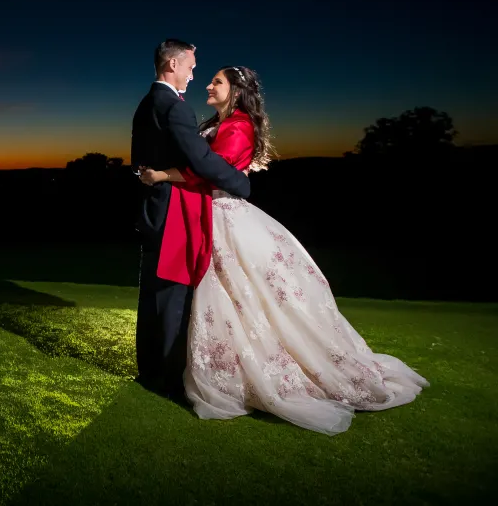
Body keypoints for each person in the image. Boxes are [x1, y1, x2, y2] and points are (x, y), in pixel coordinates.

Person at [140, 66, 428, 435]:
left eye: (217, 82)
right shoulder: (219, 121)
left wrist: (163, 175)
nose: (208, 85)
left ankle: (259, 373)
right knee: (228, 297)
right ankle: (227, 369)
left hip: (225, 216)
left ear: (237, 91)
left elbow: (212, 169)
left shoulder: (240, 124)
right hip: (207, 214)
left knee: (245, 293)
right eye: (209, 79)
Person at [130, 39, 251, 397]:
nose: (193, 75)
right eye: (191, 67)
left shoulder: (147, 103)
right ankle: (168, 379)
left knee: (152, 293)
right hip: (173, 212)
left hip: (154, 208)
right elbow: (199, 159)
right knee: (171, 295)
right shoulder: (174, 106)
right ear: (172, 64)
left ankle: (150, 370)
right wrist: (239, 182)